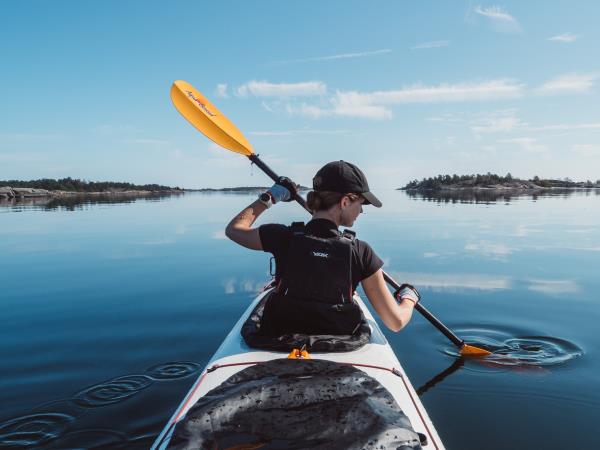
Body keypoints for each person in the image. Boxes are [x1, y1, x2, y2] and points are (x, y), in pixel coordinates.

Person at [225, 160, 419, 336]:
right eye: (361, 203)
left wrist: (271, 197)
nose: (361, 210)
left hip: (278, 340)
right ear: (345, 202)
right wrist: (409, 296)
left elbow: (234, 230)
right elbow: (396, 321)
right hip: (339, 348)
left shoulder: (282, 237)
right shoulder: (361, 252)